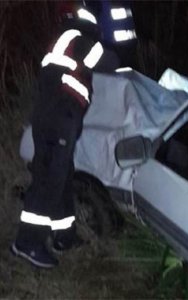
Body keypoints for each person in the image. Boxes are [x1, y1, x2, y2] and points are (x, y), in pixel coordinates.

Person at [11, 1, 120, 268]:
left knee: (61, 178)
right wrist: (113, 39)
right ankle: (27, 242)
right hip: (58, 117)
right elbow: (111, 61)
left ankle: (64, 236)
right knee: (49, 180)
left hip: (55, 116)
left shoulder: (65, 38)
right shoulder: (77, 38)